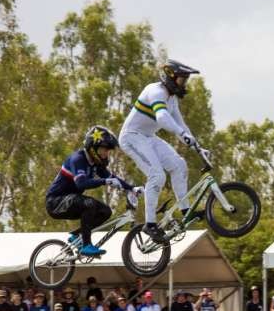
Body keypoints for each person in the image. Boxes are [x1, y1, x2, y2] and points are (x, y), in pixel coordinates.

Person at [119, 59, 204, 242]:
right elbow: (163, 117)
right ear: (170, 77)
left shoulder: (172, 98)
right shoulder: (155, 91)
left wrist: (197, 147)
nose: (184, 84)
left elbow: (181, 124)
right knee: (157, 175)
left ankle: (185, 210)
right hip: (132, 136)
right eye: (182, 80)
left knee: (179, 165)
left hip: (149, 137)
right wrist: (182, 134)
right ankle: (150, 225)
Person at [45, 125, 137, 256]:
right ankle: (86, 245)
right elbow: (81, 184)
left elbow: (112, 178)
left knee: (105, 211)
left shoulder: (94, 164)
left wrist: (132, 188)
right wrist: (104, 181)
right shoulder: (78, 159)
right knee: (90, 204)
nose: (106, 154)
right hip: (55, 202)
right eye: (104, 150)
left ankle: (77, 236)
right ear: (93, 147)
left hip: (70, 200)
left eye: (108, 151)